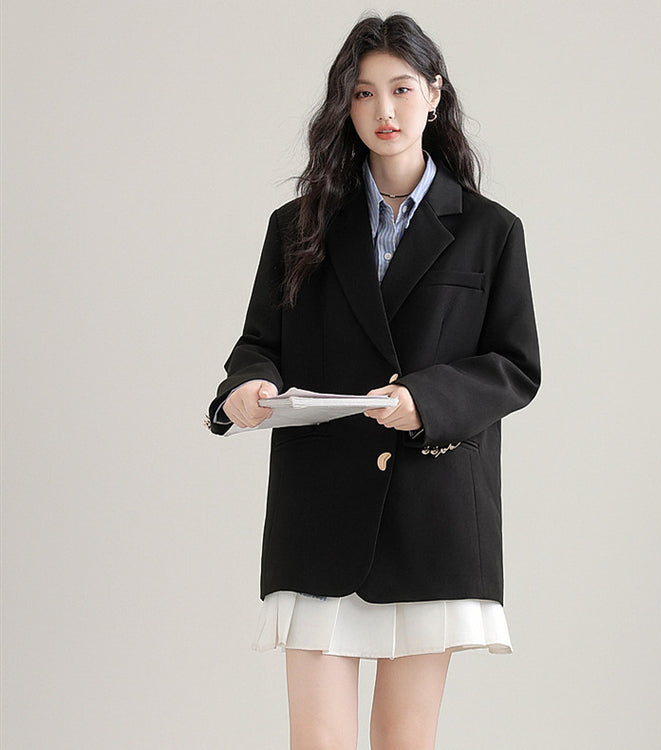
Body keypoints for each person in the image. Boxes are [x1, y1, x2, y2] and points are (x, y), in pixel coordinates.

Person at [205, 12, 541, 750]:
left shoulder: (490, 230)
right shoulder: (298, 226)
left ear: (434, 94)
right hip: (320, 508)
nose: (383, 110)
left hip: (431, 511)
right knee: (316, 740)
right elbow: (259, 345)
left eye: (401, 88)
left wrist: (427, 401)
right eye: (363, 93)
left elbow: (515, 367)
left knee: (403, 741)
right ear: (345, 105)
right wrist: (245, 389)